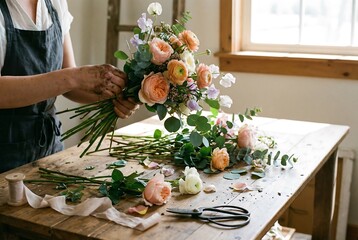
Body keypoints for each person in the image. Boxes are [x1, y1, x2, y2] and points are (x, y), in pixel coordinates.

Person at [0, 0, 139, 173]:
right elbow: (69, 79)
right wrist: (73, 76)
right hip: (5, 150)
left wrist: (114, 96)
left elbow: (71, 86)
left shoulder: (54, 3)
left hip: (50, 146)